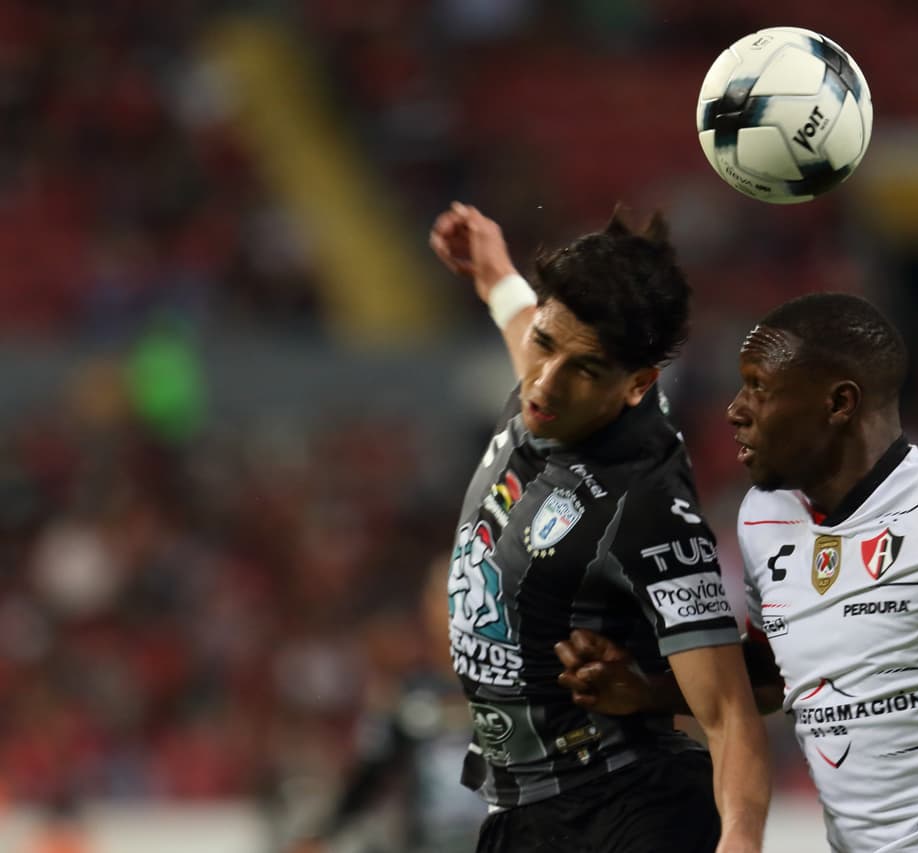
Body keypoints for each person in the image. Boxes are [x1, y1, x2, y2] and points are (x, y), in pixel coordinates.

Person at [555, 293, 918, 852]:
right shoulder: (765, 515)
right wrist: (648, 689)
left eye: (759, 389)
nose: (735, 411)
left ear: (839, 404)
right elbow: (779, 673)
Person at [428, 202, 771, 853]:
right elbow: (526, 321)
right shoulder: (550, 380)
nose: (545, 384)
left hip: (626, 811)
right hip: (522, 816)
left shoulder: (643, 503)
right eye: (546, 346)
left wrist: (742, 839)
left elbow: (729, 715)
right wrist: (491, 264)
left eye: (583, 369)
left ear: (637, 384)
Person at [287, 558, 486, 853]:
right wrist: (323, 832)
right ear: (426, 609)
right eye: (445, 599)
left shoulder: (510, 689)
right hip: (427, 843)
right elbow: (371, 772)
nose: (454, 611)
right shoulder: (407, 694)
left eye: (467, 595)